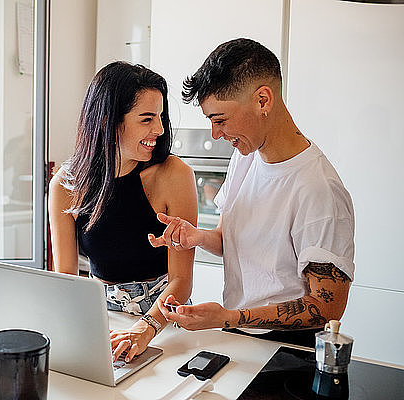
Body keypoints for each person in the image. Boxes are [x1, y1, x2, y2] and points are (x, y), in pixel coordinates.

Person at [150, 38, 355, 348]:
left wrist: (227, 318)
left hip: (287, 349)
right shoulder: (245, 157)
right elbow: (230, 238)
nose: (216, 134)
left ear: (262, 100)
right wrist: (198, 237)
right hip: (240, 335)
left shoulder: (318, 189)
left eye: (220, 120)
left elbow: (326, 308)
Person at [48, 61, 198, 362]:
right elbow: (66, 278)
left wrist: (146, 328)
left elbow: (181, 281)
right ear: (107, 121)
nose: (159, 129)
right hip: (101, 319)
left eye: (160, 117)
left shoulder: (174, 175)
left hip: (164, 319)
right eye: (146, 119)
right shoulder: (65, 185)